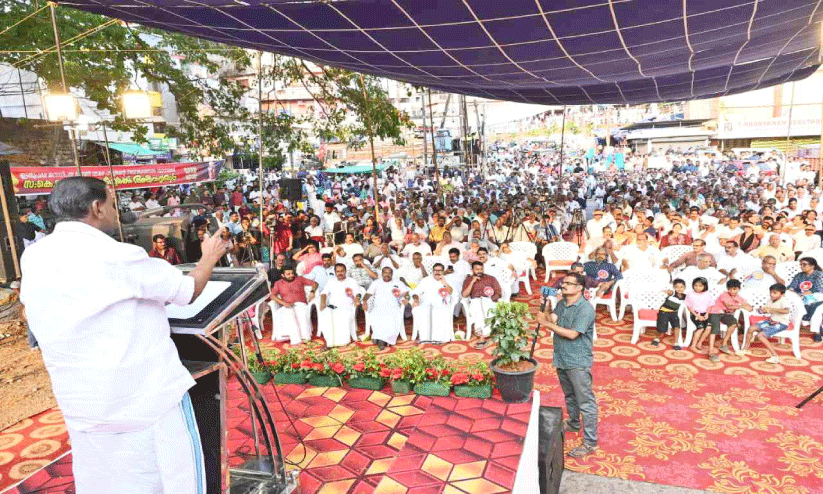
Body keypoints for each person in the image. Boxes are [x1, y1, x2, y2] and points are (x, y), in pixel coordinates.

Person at [20, 177, 229, 494]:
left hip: (82, 402)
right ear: (97, 207)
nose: (117, 212)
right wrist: (208, 257)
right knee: (171, 478)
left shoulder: (35, 256)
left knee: (106, 481)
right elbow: (189, 290)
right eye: (113, 203)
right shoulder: (118, 255)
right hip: (143, 402)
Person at [535, 271, 598, 458]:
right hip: (562, 357)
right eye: (563, 283)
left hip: (577, 360)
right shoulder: (563, 303)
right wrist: (547, 307)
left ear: (579, 288)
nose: (563, 286)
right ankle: (573, 422)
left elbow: (572, 334)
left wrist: (545, 324)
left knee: (586, 402)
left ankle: (590, 442)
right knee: (570, 395)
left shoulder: (585, 309)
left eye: (568, 283)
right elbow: (552, 319)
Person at [742, 283, 791, 363]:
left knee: (760, 335)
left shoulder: (783, 300)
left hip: (781, 323)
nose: (772, 294)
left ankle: (775, 356)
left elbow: (786, 311)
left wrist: (771, 309)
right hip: (771, 321)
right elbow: (766, 311)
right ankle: (745, 349)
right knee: (751, 328)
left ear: (781, 294)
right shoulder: (770, 300)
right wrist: (762, 310)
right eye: (771, 292)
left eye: (775, 293)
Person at [362, 267, 409, 350]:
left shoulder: (398, 282)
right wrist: (365, 301)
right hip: (378, 307)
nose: (387, 275)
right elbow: (368, 293)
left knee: (391, 318)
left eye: (389, 273)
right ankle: (381, 339)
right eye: (385, 273)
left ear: (392, 274)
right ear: (382, 273)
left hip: (393, 307)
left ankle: (382, 340)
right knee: (378, 316)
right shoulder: (376, 283)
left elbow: (406, 292)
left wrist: (406, 298)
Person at [269, 266, 318, 345]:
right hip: (287, 305)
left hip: (300, 304)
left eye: (292, 273)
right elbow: (272, 296)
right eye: (288, 274)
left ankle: (305, 337)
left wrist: (312, 292)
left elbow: (315, 283)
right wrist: (284, 303)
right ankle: (295, 339)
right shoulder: (278, 283)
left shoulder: (299, 279)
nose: (291, 275)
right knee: (289, 313)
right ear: (282, 275)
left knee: (299, 311)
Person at [319, 264, 363, 347]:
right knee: (325, 315)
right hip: (332, 307)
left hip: (346, 307)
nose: (340, 273)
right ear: (335, 272)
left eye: (342, 271)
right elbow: (324, 293)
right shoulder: (331, 281)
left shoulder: (351, 281)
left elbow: (358, 292)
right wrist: (323, 302)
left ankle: (342, 342)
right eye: (338, 271)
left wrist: (357, 298)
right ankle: (329, 342)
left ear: (345, 271)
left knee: (342, 317)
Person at [707, 279, 752, 360]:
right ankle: (711, 352)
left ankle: (724, 344)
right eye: (730, 289)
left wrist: (747, 306)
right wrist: (741, 306)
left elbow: (749, 307)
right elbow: (728, 306)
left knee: (734, 323)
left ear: (739, 289)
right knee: (715, 329)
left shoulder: (739, 298)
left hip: (725, 315)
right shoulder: (724, 295)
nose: (732, 291)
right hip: (715, 312)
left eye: (735, 289)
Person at [462, 261, 502, 348]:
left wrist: (491, 299)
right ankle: (482, 336)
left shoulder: (491, 278)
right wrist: (472, 282)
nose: (479, 271)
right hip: (475, 301)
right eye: (477, 269)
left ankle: (493, 334)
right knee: (479, 311)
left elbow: (498, 292)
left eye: (481, 269)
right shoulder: (468, 280)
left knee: (488, 309)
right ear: (472, 270)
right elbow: (464, 295)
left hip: (489, 300)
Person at [411, 263, 455, 343]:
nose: (437, 272)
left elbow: (452, 293)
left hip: (442, 305)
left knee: (439, 312)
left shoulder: (448, 279)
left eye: (440, 270)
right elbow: (416, 292)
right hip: (426, 304)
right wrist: (416, 299)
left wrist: (444, 283)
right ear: (433, 271)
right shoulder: (426, 280)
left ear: (443, 271)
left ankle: (439, 338)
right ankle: (424, 337)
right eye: (435, 270)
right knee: (421, 311)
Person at [653, 278, 687, 348]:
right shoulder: (673, 293)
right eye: (677, 287)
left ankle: (676, 342)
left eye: (681, 287)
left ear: (684, 288)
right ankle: (657, 338)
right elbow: (670, 292)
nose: (679, 289)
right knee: (662, 328)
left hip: (673, 313)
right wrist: (667, 291)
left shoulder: (685, 296)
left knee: (677, 326)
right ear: (674, 287)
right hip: (664, 312)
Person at [685, 278, 714, 355]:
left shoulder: (707, 294)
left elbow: (709, 305)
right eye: (695, 285)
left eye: (700, 286)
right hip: (695, 314)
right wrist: (697, 315)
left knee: (709, 327)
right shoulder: (690, 294)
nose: (697, 287)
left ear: (705, 286)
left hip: (704, 314)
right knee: (700, 328)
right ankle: (693, 346)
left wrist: (707, 314)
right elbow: (689, 307)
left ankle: (699, 342)